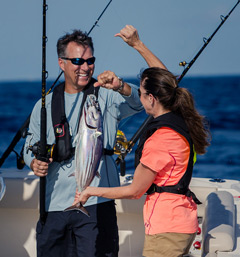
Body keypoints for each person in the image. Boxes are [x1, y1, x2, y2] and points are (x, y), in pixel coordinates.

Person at [23, 25, 166, 257]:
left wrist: (120, 85)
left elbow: (143, 103)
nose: (85, 67)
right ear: (62, 63)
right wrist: (33, 162)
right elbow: (29, 144)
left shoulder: (106, 95)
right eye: (78, 61)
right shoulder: (44, 105)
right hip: (53, 207)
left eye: (90, 61)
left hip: (96, 204)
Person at [76, 67, 211, 257]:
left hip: (167, 228)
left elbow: (135, 191)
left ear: (151, 98)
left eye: (140, 93)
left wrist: (90, 191)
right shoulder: (179, 122)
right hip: (181, 219)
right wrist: (137, 45)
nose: (138, 97)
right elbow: (166, 80)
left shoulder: (160, 139)